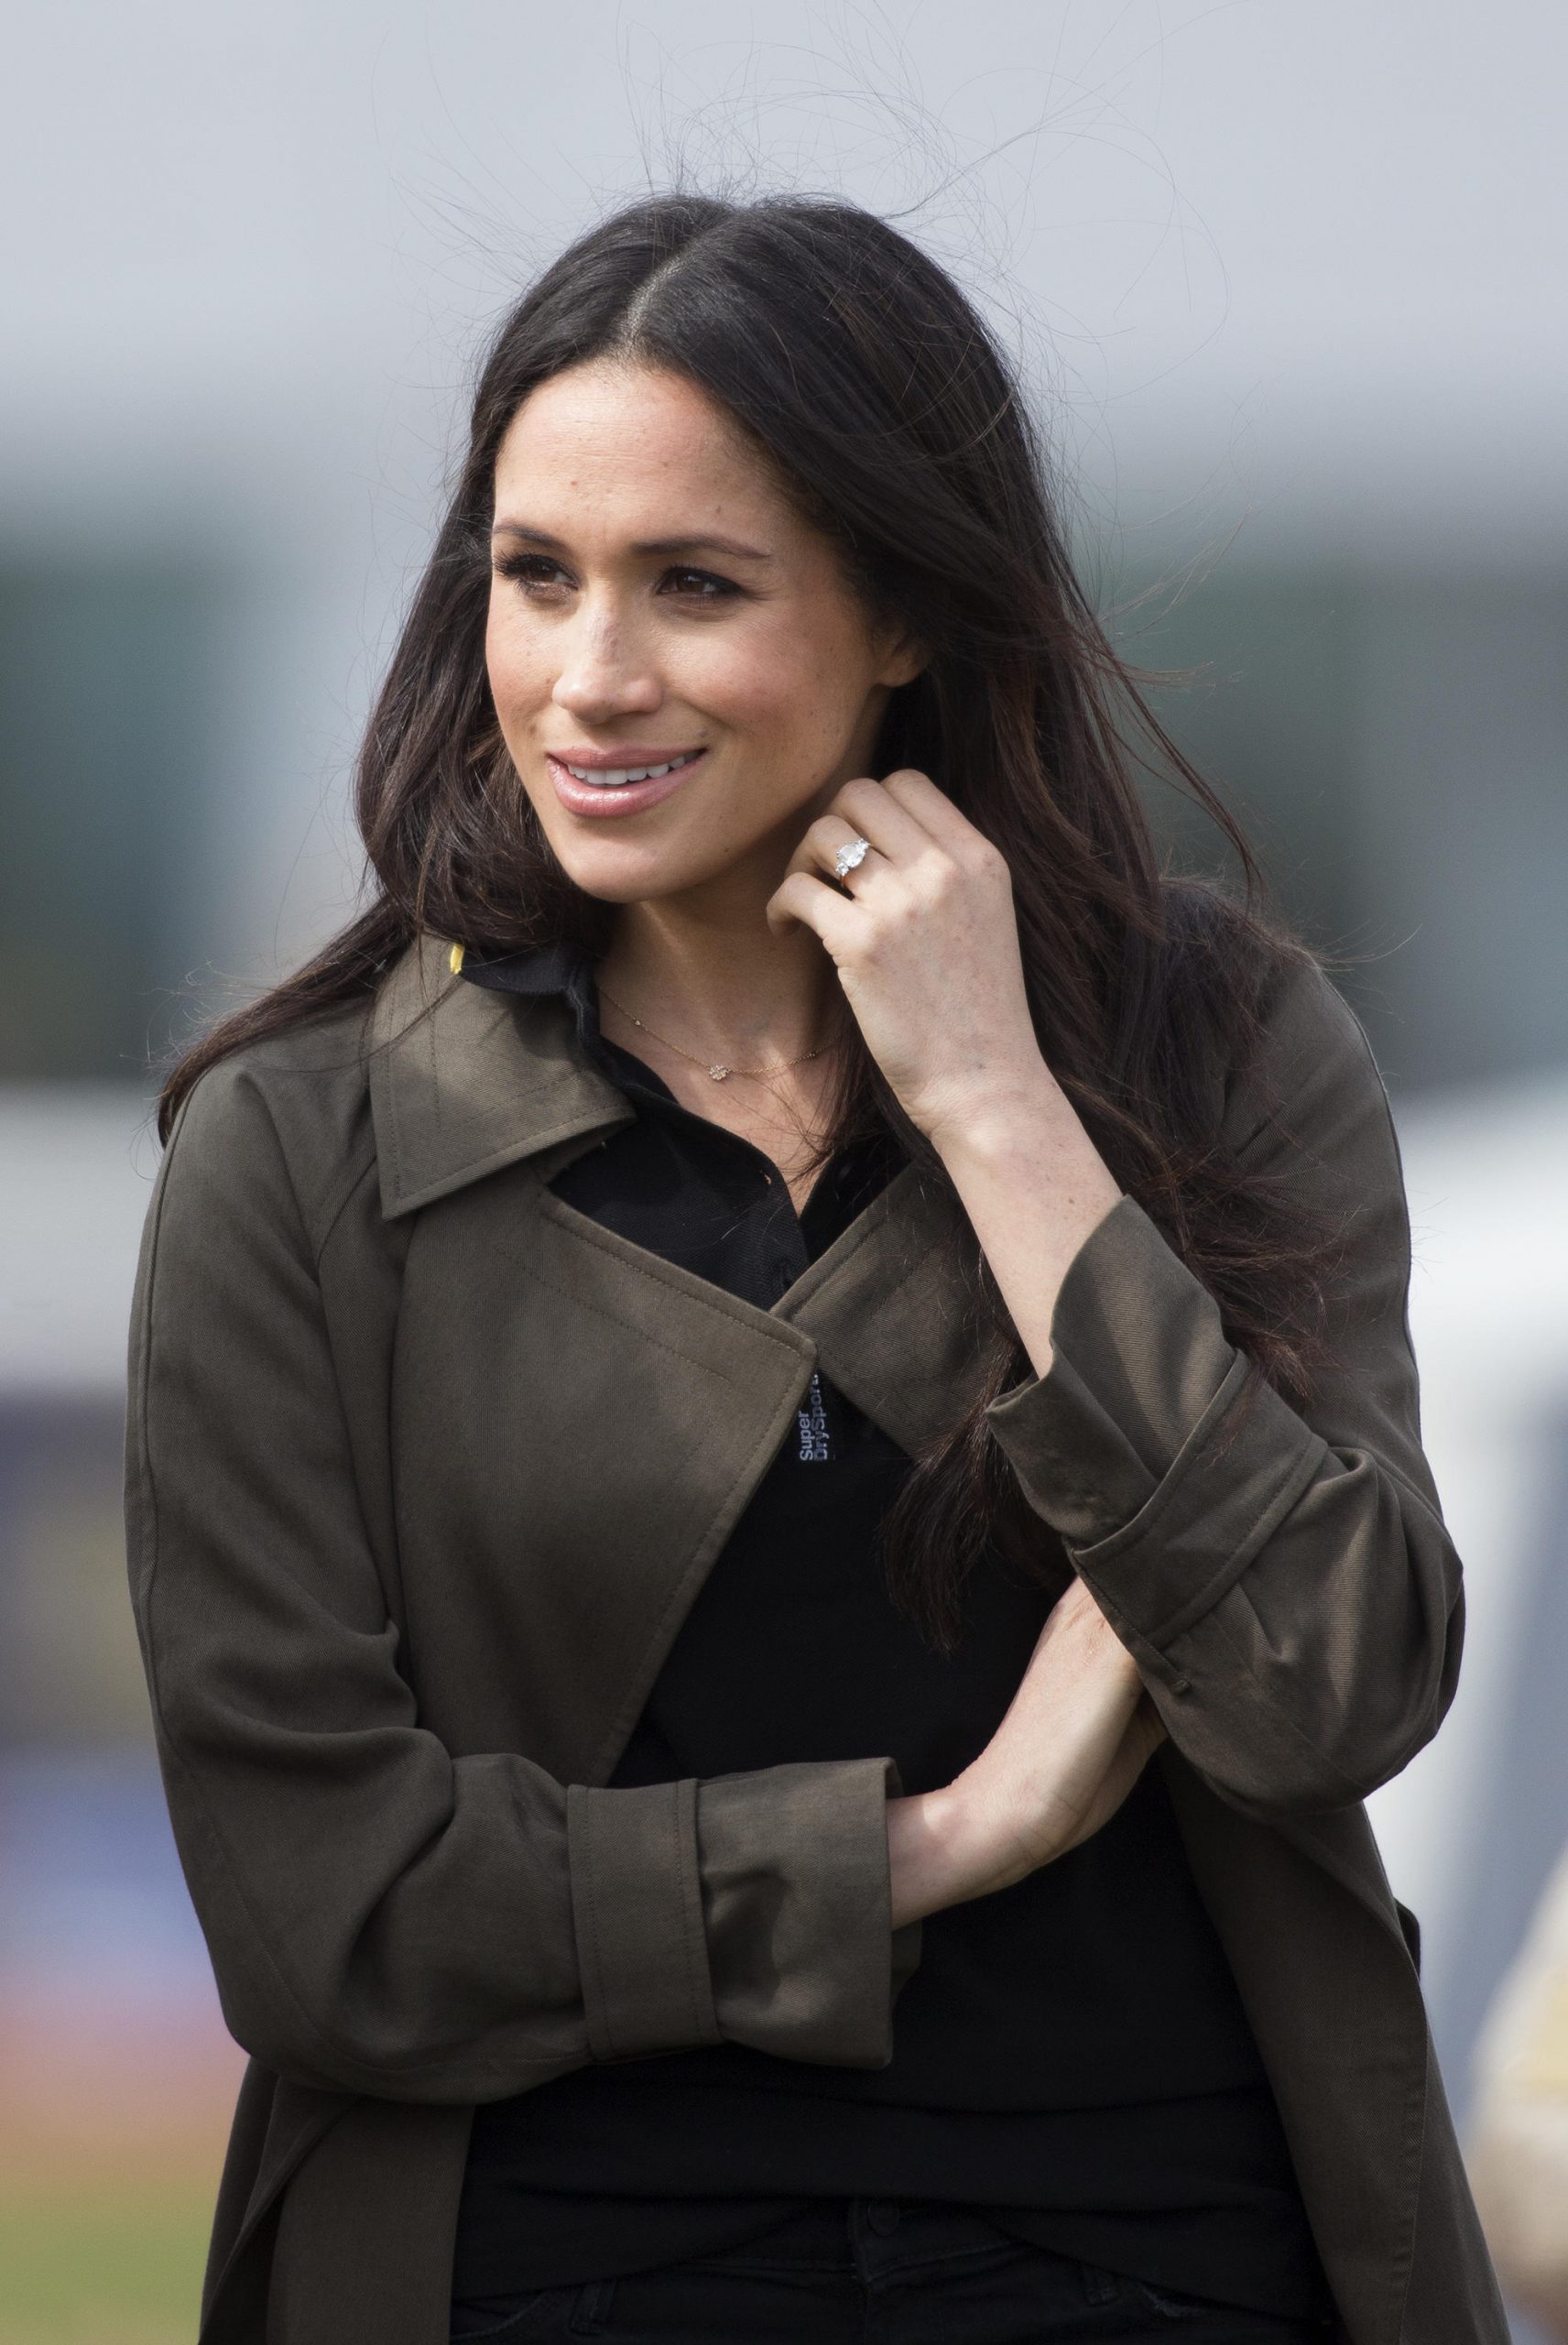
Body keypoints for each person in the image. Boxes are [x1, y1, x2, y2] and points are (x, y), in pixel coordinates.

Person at [125, 195, 1508, 2345]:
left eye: (694, 584)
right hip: (549, 2270)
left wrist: (996, 1102)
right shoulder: (299, 1147)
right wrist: (928, 1844)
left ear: (905, 615)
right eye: (536, 574)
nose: (588, 675)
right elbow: (328, 1914)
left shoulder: (1220, 1051)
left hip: (1159, 2254)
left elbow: (1330, 1687)